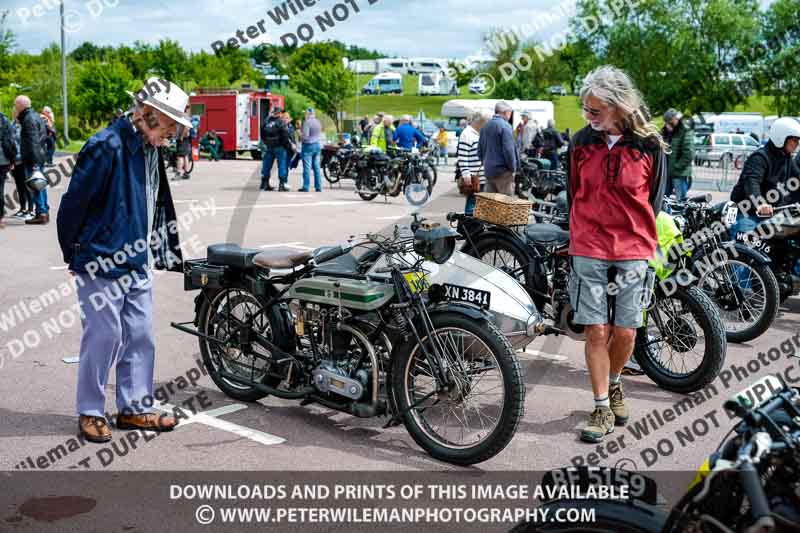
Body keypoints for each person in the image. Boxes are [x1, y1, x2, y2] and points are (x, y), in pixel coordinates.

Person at [56, 76, 189, 443]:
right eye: (171, 123)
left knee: (141, 335)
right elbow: (72, 206)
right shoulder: (106, 146)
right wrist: (75, 254)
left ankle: (134, 409)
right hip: (100, 260)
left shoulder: (148, 147)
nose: (175, 132)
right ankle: (90, 411)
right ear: (148, 113)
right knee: (105, 335)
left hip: (137, 259)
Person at [566, 65, 667, 444]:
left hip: (633, 246)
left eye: (595, 111)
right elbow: (573, 190)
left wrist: (638, 236)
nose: (588, 118)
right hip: (589, 244)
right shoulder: (579, 143)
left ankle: (615, 383)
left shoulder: (649, 146)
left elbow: (653, 199)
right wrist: (577, 235)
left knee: (626, 330)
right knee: (596, 329)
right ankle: (601, 405)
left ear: (619, 107)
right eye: (586, 110)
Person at [730, 117, 800, 236]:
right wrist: (760, 203)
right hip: (748, 213)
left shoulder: (786, 158)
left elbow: (797, 179)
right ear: (781, 138)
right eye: (794, 140)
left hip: (771, 215)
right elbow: (752, 183)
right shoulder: (759, 158)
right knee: (746, 247)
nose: (797, 144)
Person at [15, 95, 49, 225]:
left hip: (33, 158)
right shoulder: (35, 116)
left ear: (20, 105)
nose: (15, 107)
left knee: (36, 185)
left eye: (15, 105)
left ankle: (41, 213)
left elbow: (33, 141)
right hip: (38, 156)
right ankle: (44, 211)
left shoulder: (28, 119)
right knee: (40, 184)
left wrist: (34, 163)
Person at [477, 100, 519, 196]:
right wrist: (513, 168)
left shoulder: (485, 127)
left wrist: (486, 163)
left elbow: (479, 151)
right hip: (503, 173)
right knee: (506, 204)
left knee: (491, 205)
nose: (510, 116)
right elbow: (509, 151)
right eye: (510, 113)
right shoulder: (505, 126)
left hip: (488, 171)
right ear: (505, 112)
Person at [458, 110, 490, 215]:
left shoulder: (478, 134)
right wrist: (466, 175)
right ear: (479, 122)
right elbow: (462, 157)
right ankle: (469, 227)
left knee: (480, 204)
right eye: (485, 123)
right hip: (474, 178)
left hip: (482, 177)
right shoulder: (466, 134)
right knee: (472, 204)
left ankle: (477, 227)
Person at [660, 109, 694, 201]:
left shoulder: (685, 131)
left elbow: (689, 153)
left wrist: (676, 167)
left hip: (679, 173)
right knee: (663, 199)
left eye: (669, 121)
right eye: (666, 122)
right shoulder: (665, 131)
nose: (667, 124)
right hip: (666, 172)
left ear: (675, 119)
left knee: (681, 200)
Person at [260, 107, 292, 191]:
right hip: (279, 147)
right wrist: (286, 145)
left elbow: (262, 134)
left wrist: (266, 143)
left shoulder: (266, 121)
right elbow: (285, 135)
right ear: (279, 113)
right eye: (281, 113)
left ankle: (264, 183)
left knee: (267, 165)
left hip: (269, 146)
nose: (281, 114)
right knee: (282, 165)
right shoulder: (281, 122)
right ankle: (282, 184)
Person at [10, 118, 33, 220]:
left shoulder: (26, 124)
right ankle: (23, 208)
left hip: (24, 159)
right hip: (15, 159)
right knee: (19, 185)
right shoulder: (13, 124)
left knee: (27, 185)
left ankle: (31, 210)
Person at [299, 108, 323, 192]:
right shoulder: (318, 122)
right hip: (317, 145)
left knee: (307, 167)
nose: (305, 115)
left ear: (309, 114)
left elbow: (305, 136)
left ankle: (306, 186)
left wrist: (300, 135)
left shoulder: (307, 122)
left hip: (308, 146)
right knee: (316, 167)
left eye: (305, 113)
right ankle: (318, 186)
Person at [0, 109, 17, 227]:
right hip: (2, 159)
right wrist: (12, 159)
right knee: (0, 188)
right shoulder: (4, 120)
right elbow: (10, 141)